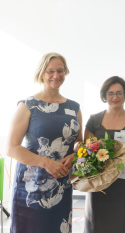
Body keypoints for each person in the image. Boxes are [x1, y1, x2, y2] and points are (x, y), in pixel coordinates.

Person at [6, 52, 83, 233]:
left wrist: (74, 155)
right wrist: (47, 163)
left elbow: (79, 142)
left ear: (66, 73)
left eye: (60, 71)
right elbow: (11, 148)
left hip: (61, 187)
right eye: (50, 71)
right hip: (31, 190)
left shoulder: (74, 108)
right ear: (41, 73)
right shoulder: (27, 105)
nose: (56, 75)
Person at [83, 76, 125, 233]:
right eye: (110, 93)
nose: (115, 97)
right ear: (104, 95)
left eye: (119, 92)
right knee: (97, 224)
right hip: (99, 183)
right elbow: (86, 151)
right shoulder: (94, 120)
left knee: (124, 225)